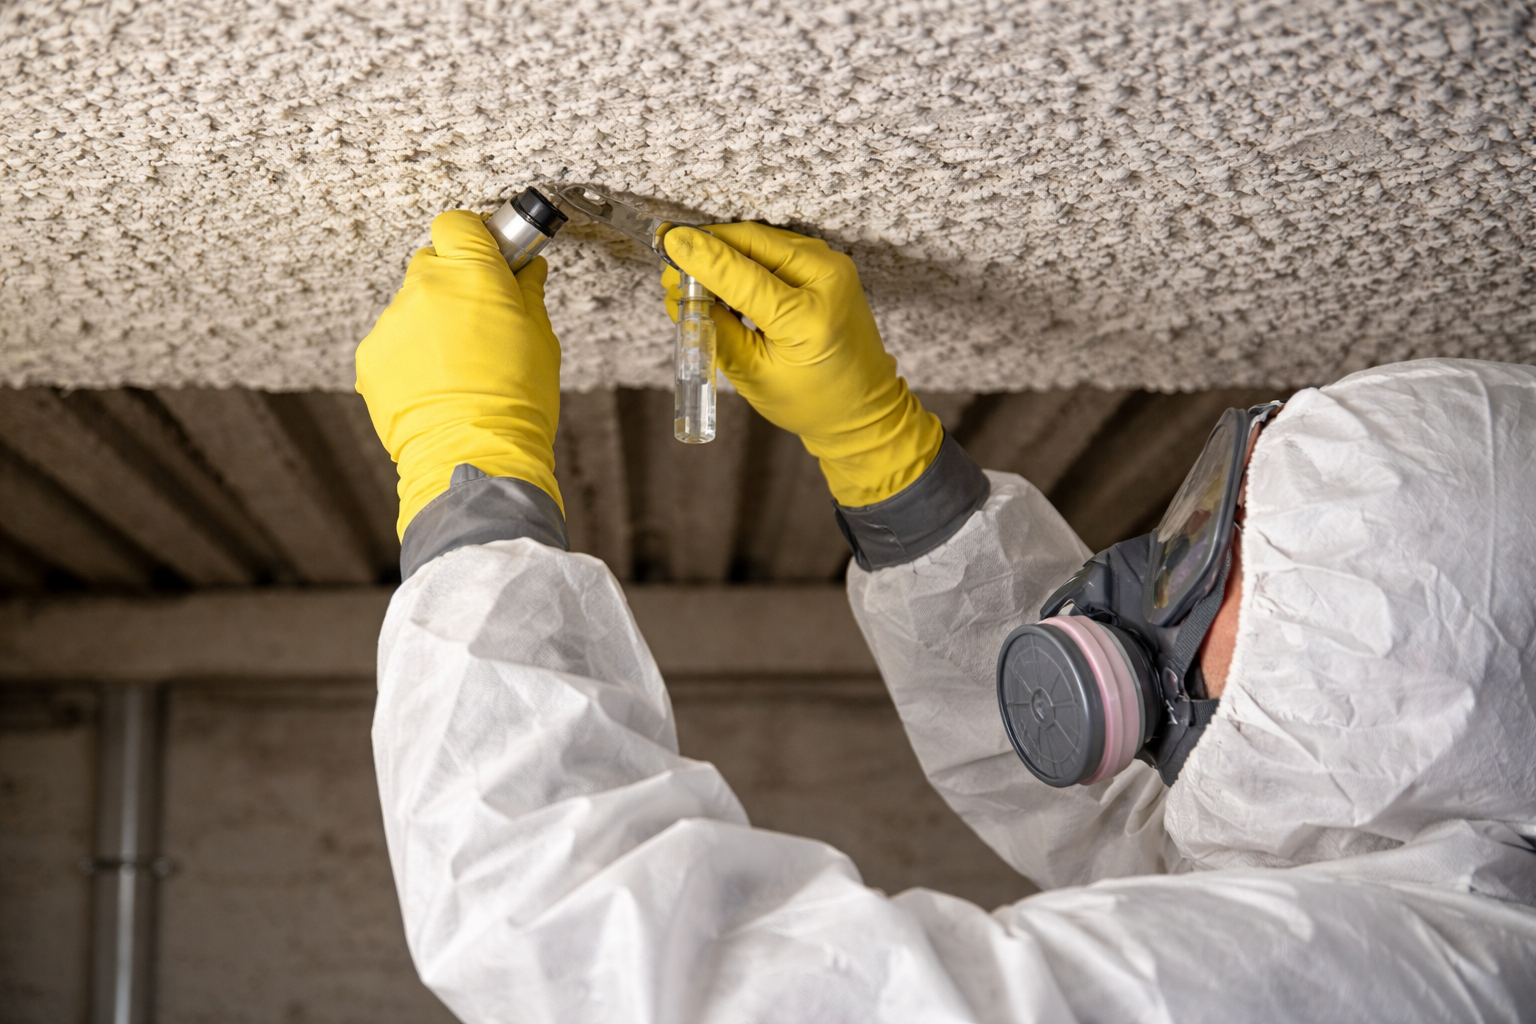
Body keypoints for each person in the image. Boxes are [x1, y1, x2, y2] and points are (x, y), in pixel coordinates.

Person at [355, 210, 1536, 1022]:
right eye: (1195, 520)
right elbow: (1151, 843)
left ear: (1374, 702)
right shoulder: (1444, 864)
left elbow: (649, 984)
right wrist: (892, 467)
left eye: (1224, 564)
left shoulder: (1421, 986)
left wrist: (473, 499)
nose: (1144, 570)